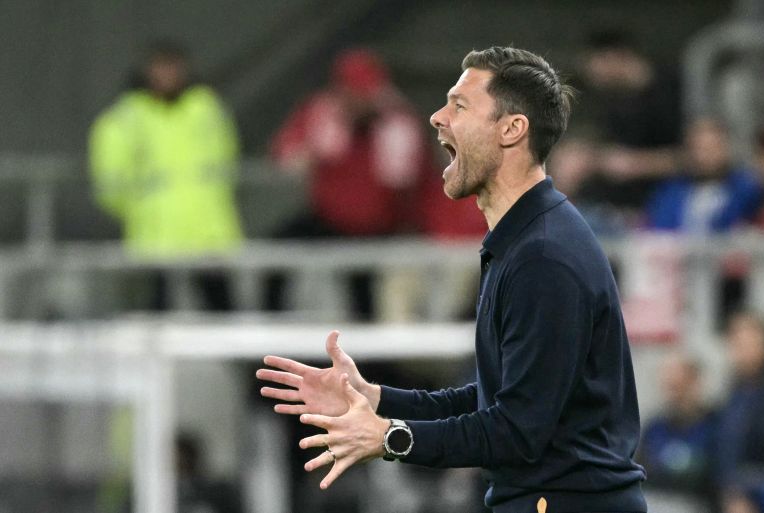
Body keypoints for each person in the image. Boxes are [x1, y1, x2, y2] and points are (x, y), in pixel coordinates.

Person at [257, 46, 647, 512]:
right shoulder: (524, 240)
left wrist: (388, 438)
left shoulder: (544, 258)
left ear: (511, 129)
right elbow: (498, 398)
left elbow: (517, 431)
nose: (437, 118)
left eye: (459, 105)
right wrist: (376, 398)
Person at [268, 48, 434, 319]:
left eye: (367, 92)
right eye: (355, 92)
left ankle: (374, 360)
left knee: (366, 300)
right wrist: (312, 146)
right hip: (329, 219)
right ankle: (268, 337)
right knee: (277, 256)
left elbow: (410, 182)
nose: (362, 100)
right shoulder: (322, 113)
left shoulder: (398, 122)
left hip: (383, 226)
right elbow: (286, 156)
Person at [89, 40, 242, 311]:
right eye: (161, 67)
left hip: (209, 234)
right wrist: (141, 209)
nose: (168, 75)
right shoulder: (127, 116)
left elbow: (227, 161)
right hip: (154, 237)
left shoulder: (206, 108)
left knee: (222, 314)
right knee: (154, 317)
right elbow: (109, 181)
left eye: (173, 67)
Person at [548, 28, 682, 235]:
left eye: (595, 65)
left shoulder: (674, 91)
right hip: (615, 212)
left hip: (668, 211)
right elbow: (610, 153)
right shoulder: (615, 100)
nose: (591, 74)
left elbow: (694, 157)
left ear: (615, 57)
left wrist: (636, 164)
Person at [646, 118, 764, 233]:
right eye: (700, 148)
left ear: (726, 149)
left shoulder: (747, 188)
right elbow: (659, 229)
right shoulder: (671, 191)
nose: (707, 156)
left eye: (713, 148)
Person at [637, 352, 718, 513]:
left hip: (699, 504)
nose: (674, 395)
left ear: (695, 383)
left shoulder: (715, 425)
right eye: (670, 387)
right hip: (656, 501)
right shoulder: (655, 428)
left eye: (679, 386)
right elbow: (640, 473)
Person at [715, 312, 764, 513]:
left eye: (750, 343)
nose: (742, 351)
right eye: (737, 344)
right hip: (735, 496)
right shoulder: (735, 392)